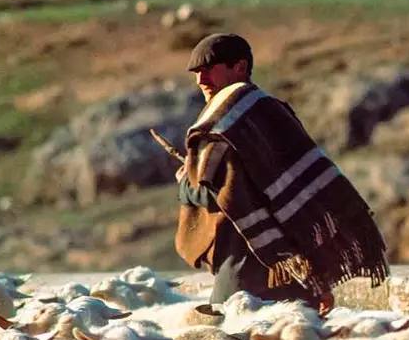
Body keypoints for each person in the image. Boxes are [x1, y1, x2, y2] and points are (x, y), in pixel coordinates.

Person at [159, 32, 390, 313]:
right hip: (295, 274)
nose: (200, 80)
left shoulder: (219, 123)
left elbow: (209, 195)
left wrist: (184, 181)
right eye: (196, 73)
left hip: (242, 276)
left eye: (208, 69)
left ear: (240, 67)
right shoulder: (275, 111)